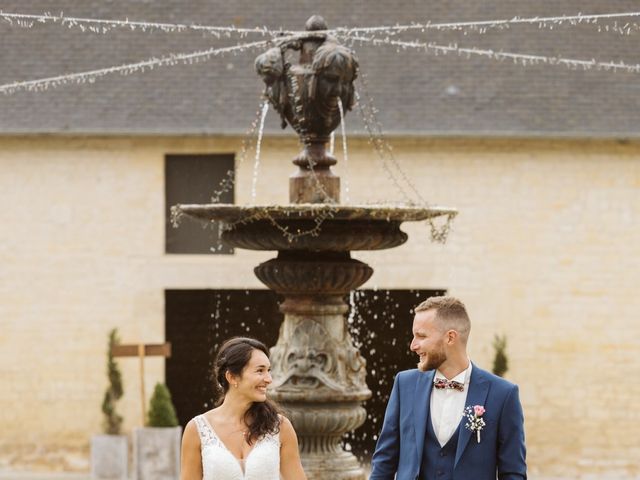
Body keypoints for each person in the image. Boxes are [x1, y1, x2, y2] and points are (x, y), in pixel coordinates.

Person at [370, 296, 527, 480]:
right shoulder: (404, 384)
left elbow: (513, 473)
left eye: (421, 336)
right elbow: (384, 462)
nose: (413, 345)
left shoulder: (503, 394)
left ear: (450, 337)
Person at [180, 337, 307, 480]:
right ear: (232, 377)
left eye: (268, 370)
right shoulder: (197, 429)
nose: (269, 379)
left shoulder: (280, 427)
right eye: (260, 371)